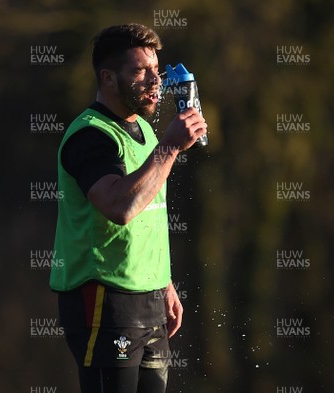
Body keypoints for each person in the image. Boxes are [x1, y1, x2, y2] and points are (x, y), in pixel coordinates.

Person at [50, 23, 207, 393]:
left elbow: (149, 212)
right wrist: (169, 148)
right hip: (104, 298)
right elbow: (120, 207)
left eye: (157, 69)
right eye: (141, 71)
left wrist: (164, 282)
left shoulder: (147, 132)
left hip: (148, 299)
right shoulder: (91, 135)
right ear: (108, 77)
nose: (156, 81)